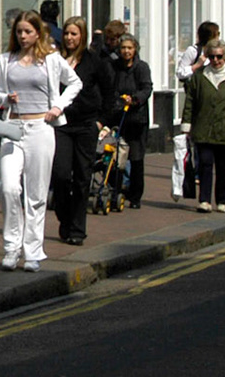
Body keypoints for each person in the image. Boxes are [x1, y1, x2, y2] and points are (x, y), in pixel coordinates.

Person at [0, 11, 80, 272]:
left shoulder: (51, 60)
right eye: (18, 31)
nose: (22, 36)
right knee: (9, 187)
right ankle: (11, 248)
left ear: (38, 33)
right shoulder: (5, 60)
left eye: (27, 32)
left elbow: (75, 83)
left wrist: (58, 106)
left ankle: (32, 251)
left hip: (41, 128)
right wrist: (6, 98)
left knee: (36, 194)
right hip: (13, 128)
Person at [51, 17, 111, 247]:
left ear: (82, 36)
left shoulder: (94, 62)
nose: (69, 38)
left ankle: (77, 229)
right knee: (61, 175)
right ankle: (64, 217)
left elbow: (109, 93)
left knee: (82, 177)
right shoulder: (55, 61)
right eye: (66, 33)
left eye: (74, 34)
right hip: (61, 125)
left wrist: (101, 122)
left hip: (87, 125)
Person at [182, 37, 225, 212]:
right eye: (212, 57)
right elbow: (190, 101)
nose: (216, 61)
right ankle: (204, 200)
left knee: (222, 167)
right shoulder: (200, 76)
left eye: (219, 57)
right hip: (203, 128)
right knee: (204, 164)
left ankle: (221, 200)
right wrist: (187, 124)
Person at [109, 35, 153, 209]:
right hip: (118, 116)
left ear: (135, 49)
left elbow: (147, 88)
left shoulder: (141, 67)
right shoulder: (115, 67)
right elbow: (110, 87)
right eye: (123, 48)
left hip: (137, 118)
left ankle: (135, 196)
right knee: (114, 157)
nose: (126, 51)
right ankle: (116, 190)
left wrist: (134, 99)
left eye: (130, 48)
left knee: (136, 159)